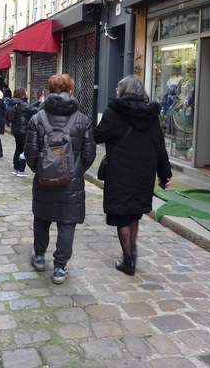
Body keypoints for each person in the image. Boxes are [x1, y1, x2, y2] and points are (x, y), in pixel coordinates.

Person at [93, 75, 172, 276]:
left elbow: (97, 136)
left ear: (123, 90)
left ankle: (128, 260)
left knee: (122, 215)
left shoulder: (113, 112)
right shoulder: (152, 115)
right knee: (134, 212)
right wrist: (165, 174)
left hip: (120, 173)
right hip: (143, 174)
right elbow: (159, 146)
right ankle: (132, 249)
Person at [24, 74, 96, 284]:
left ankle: (39, 257)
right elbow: (89, 153)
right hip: (71, 182)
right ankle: (59, 268)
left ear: (49, 91)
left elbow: (29, 152)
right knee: (67, 223)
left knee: (42, 218)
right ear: (71, 91)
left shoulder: (37, 118)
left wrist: (41, 170)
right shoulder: (82, 119)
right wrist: (74, 171)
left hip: (43, 180)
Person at [6, 87, 40, 177]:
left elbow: (30, 107)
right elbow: (37, 111)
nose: (27, 92)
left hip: (16, 130)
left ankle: (16, 168)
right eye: (26, 91)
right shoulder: (23, 104)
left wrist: (38, 102)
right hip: (23, 130)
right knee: (24, 150)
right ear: (22, 93)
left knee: (18, 149)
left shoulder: (15, 102)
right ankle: (21, 170)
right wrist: (43, 103)